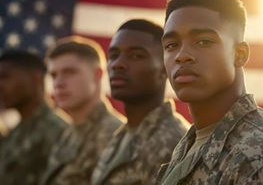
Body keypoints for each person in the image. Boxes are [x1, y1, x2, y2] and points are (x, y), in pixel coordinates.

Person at [156, 0, 263, 184]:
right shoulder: (190, 144)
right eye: (171, 45)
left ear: (239, 54)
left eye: (203, 41)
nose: (182, 56)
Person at [91, 19, 190, 185]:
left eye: (136, 56)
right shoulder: (123, 134)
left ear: (165, 68)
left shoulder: (172, 143)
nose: (117, 64)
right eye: (113, 56)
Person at [41, 36, 124, 185]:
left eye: (69, 72)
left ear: (97, 75)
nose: (58, 83)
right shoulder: (69, 133)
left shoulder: (114, 136)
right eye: (54, 75)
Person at [0, 51, 68, 185]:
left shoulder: (58, 132)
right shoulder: (15, 132)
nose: (0, 86)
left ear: (35, 79)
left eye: (5, 77)